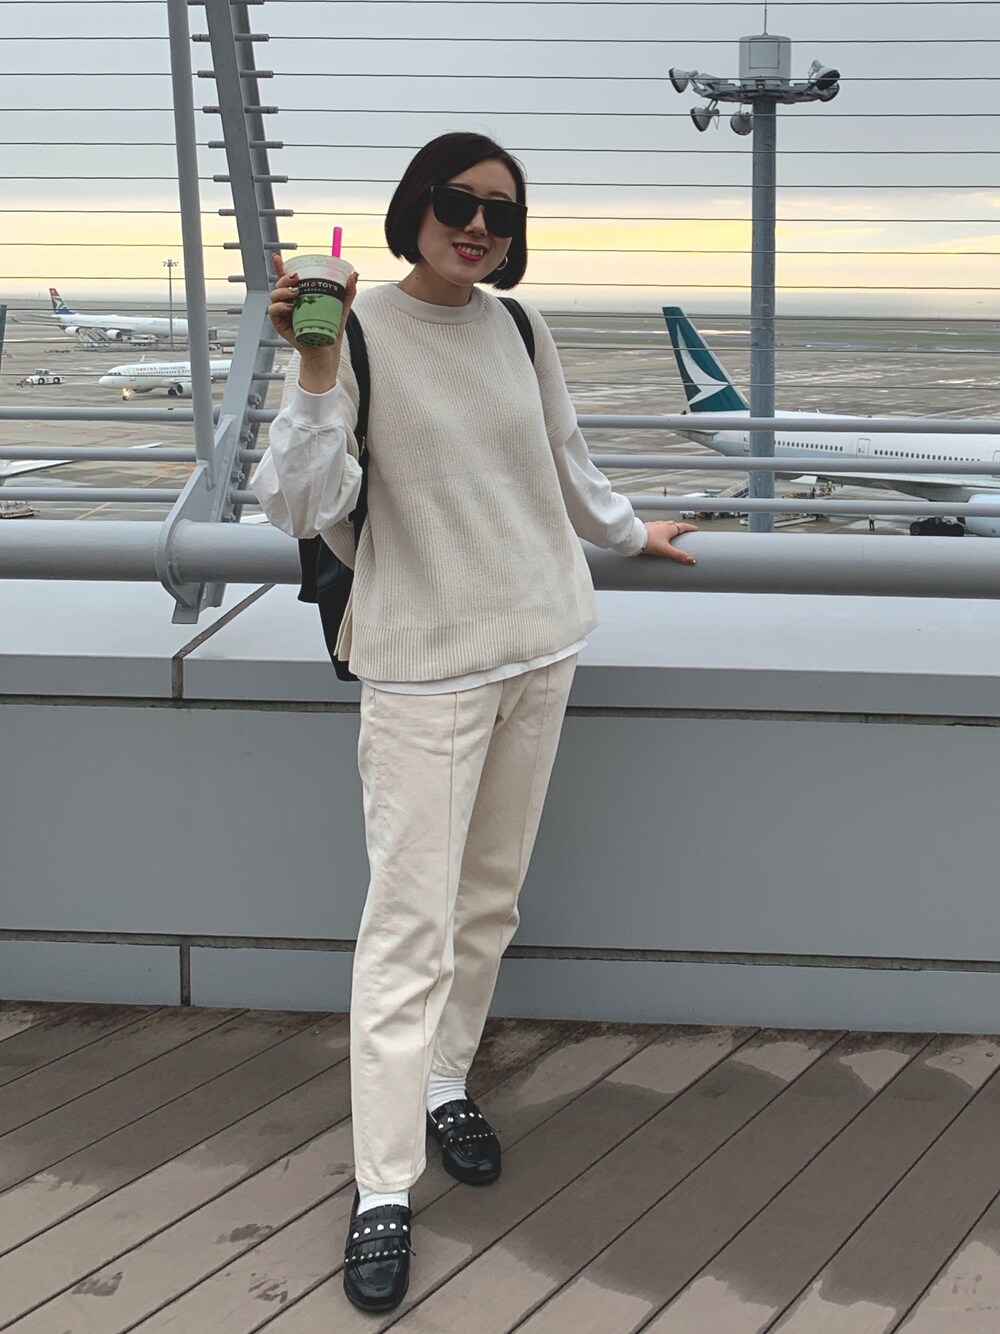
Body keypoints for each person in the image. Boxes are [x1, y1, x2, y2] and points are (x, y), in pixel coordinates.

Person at [252, 131, 698, 1314]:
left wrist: (629, 532)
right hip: (423, 665)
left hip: (540, 643)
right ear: (414, 206)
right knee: (408, 926)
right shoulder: (354, 331)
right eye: (457, 201)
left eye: (500, 211)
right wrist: (312, 368)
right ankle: (382, 1184)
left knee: (489, 899)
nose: (478, 225)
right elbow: (298, 500)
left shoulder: (520, 327)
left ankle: (445, 1078)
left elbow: (562, 459)